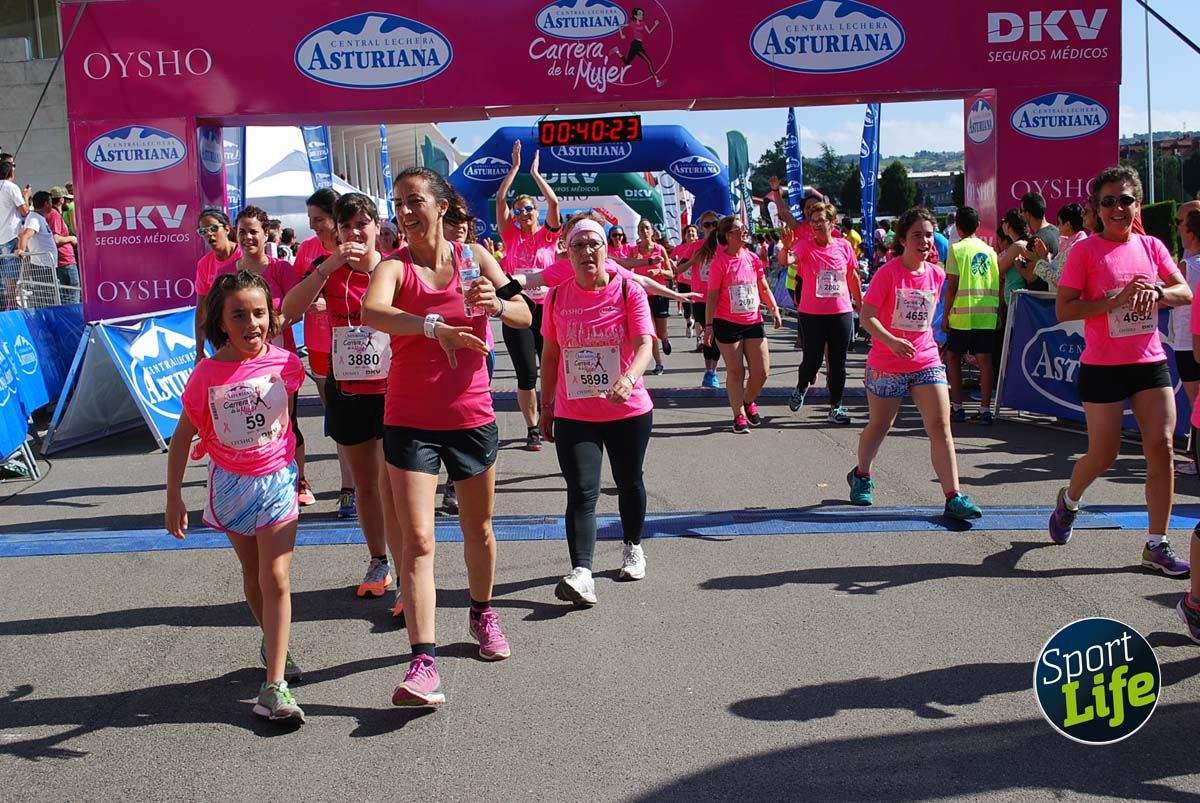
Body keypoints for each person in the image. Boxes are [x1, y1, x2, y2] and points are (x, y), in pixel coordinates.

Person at [363, 167, 532, 706]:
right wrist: (434, 327)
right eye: (399, 203)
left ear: (441, 206)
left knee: (477, 530)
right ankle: (423, 662)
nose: (406, 212)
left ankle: (482, 614)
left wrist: (497, 305)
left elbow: (526, 314)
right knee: (417, 542)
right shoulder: (394, 267)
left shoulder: (476, 259)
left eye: (415, 201)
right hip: (409, 420)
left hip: (471, 417)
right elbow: (374, 311)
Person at [166, 270, 306, 724]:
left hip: (277, 481)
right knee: (253, 575)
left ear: (272, 315)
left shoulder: (287, 364)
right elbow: (182, 438)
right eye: (239, 314)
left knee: (276, 577)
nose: (252, 323)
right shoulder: (206, 373)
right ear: (220, 322)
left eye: (260, 313)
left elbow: (290, 422)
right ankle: (273, 641)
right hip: (229, 484)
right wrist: (173, 497)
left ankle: (274, 686)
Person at [1049, 165, 1192, 577]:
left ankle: (1156, 543)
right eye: (1108, 201)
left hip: (1148, 363)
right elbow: (1065, 309)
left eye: (1125, 200)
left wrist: (1158, 293)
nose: (1117, 208)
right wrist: (1112, 303)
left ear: (1137, 204)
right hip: (1103, 367)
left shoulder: (1151, 246)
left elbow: (1184, 290)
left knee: (1162, 447)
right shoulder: (1085, 252)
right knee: (1104, 455)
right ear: (1097, 209)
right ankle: (1070, 500)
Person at [282, 193, 402, 605]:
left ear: (376, 226)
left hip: (395, 391)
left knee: (396, 485)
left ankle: (408, 573)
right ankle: (378, 560)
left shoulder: (395, 269)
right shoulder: (327, 270)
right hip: (347, 390)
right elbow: (288, 311)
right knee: (367, 485)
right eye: (346, 226)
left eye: (362, 224)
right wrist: (330, 265)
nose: (355, 232)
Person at [539, 218, 655, 605]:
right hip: (575, 412)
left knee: (628, 481)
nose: (588, 252)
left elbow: (643, 346)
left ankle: (633, 544)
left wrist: (629, 378)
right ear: (567, 253)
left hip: (627, 410)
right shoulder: (556, 297)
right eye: (579, 246)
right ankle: (582, 572)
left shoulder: (628, 290)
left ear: (608, 249)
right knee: (581, 491)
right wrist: (546, 406)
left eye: (595, 244)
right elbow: (551, 355)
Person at [848, 207, 983, 521]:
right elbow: (867, 318)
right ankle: (862, 475)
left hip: (925, 359)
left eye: (928, 234)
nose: (924, 240)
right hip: (886, 361)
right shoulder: (888, 273)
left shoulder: (936, 274)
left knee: (940, 425)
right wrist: (892, 342)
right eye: (916, 235)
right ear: (903, 239)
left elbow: (925, 319)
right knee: (881, 425)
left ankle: (953, 496)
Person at [232, 206, 313, 513]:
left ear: (266, 234)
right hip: (241, 363)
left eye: (253, 231)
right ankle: (255, 485)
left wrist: (271, 324)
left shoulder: (280, 269)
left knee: (286, 423)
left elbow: (297, 308)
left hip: (279, 361)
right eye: (242, 232)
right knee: (249, 427)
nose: (248, 237)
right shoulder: (229, 272)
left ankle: (298, 480)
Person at [494, 139, 561, 452]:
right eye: (518, 211)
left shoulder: (548, 235)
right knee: (526, 374)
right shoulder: (510, 235)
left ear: (536, 211)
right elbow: (499, 199)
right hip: (518, 309)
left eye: (527, 209)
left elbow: (555, 205)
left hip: (549, 308)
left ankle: (554, 416)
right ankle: (532, 428)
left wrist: (534, 173)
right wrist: (514, 169)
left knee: (553, 369)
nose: (522, 214)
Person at [294, 188, 355, 515]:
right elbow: (294, 292)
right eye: (310, 220)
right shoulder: (306, 249)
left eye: (319, 219)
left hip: (358, 343)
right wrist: (310, 298)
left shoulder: (356, 246)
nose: (314, 226)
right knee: (337, 419)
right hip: (320, 344)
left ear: (336, 217)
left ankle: (375, 484)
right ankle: (349, 487)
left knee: (372, 418)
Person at [703, 215, 783, 434]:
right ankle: (738, 415)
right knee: (735, 370)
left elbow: (763, 286)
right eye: (740, 229)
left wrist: (774, 308)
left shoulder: (752, 257)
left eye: (745, 228)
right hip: (727, 322)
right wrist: (708, 327)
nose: (745, 232)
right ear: (728, 236)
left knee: (762, 371)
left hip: (753, 321)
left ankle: (748, 400)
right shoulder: (720, 262)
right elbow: (711, 296)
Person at [785, 201, 861, 423]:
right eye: (813, 221)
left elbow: (852, 277)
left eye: (821, 221)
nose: (816, 225)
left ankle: (836, 407)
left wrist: (861, 304)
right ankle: (801, 387)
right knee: (812, 360)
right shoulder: (804, 245)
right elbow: (786, 260)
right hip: (812, 314)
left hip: (841, 312)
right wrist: (785, 248)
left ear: (832, 222)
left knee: (838, 362)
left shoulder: (844, 246)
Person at [942, 206, 1000, 425]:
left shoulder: (956, 250)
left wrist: (945, 315)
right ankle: (985, 411)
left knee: (953, 357)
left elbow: (952, 286)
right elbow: (997, 284)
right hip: (986, 314)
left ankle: (957, 408)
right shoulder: (991, 251)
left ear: (957, 227)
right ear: (978, 225)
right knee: (985, 361)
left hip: (962, 315)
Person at [1172, 202, 1200, 476]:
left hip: (1187, 342)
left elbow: (1167, 294)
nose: (1177, 229)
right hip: (1189, 339)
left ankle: (1195, 458)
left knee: (1197, 405)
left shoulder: (1187, 265)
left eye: (1179, 224)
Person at [193, 209, 241, 362]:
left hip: (247, 329)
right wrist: (199, 351)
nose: (209, 235)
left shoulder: (244, 254)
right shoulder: (204, 264)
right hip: (222, 335)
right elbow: (201, 309)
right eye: (203, 231)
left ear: (227, 229)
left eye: (213, 228)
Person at [631, 217, 674, 374]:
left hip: (659, 293)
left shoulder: (659, 249)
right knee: (651, 331)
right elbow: (629, 269)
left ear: (652, 231)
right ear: (638, 232)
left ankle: (666, 339)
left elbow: (671, 274)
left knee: (661, 331)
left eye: (647, 228)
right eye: (641, 229)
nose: (644, 231)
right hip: (642, 295)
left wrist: (659, 271)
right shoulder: (634, 251)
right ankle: (659, 363)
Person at [1032, 203, 1088, 293]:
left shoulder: (1073, 248)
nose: (1057, 226)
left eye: (1059, 222)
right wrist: (1045, 256)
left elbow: (1059, 281)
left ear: (1068, 225)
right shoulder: (1075, 242)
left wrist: (1039, 264)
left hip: (1070, 301)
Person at [610, 7, 664, 87]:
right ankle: (657, 81)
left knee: (627, 62)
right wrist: (621, 35)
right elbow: (620, 26)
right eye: (639, 14)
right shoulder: (632, 23)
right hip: (635, 44)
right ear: (635, 16)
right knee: (648, 61)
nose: (641, 15)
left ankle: (617, 51)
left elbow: (649, 32)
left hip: (639, 44)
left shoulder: (643, 23)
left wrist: (655, 25)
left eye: (642, 14)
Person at [15, 191, 59, 287]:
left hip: (46, 266)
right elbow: (25, 235)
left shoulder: (37, 217)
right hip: (42, 268)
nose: (52, 204)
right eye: (50, 202)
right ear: (46, 204)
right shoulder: (35, 219)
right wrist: (21, 250)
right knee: (48, 298)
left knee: (50, 297)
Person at [0, 162, 29, 308]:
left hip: (2, 237)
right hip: (11, 236)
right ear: (10, 173)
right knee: (12, 275)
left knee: (4, 277)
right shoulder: (11, 187)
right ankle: (11, 305)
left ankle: (8, 305)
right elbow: (25, 211)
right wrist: (26, 196)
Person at [46, 187, 78, 302]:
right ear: (61, 200)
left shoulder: (51, 214)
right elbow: (56, 239)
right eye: (66, 199)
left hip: (61, 260)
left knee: (66, 297)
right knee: (72, 296)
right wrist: (72, 238)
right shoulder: (54, 215)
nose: (68, 202)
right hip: (65, 260)